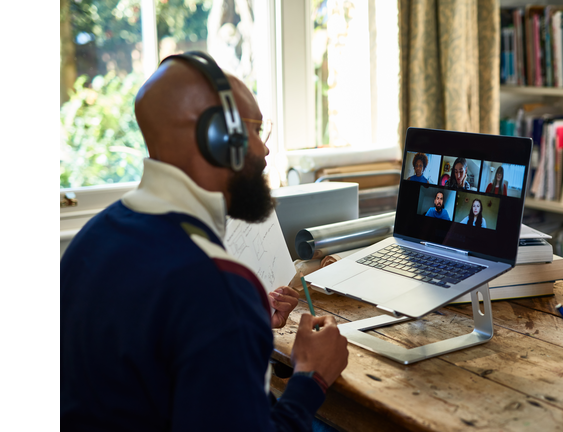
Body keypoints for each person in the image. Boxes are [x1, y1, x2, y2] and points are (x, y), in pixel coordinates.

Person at [61, 52, 349, 432]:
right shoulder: (217, 283)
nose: (263, 151)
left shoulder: (93, 238)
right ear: (216, 138)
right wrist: (312, 377)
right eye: (254, 130)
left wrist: (237, 326)